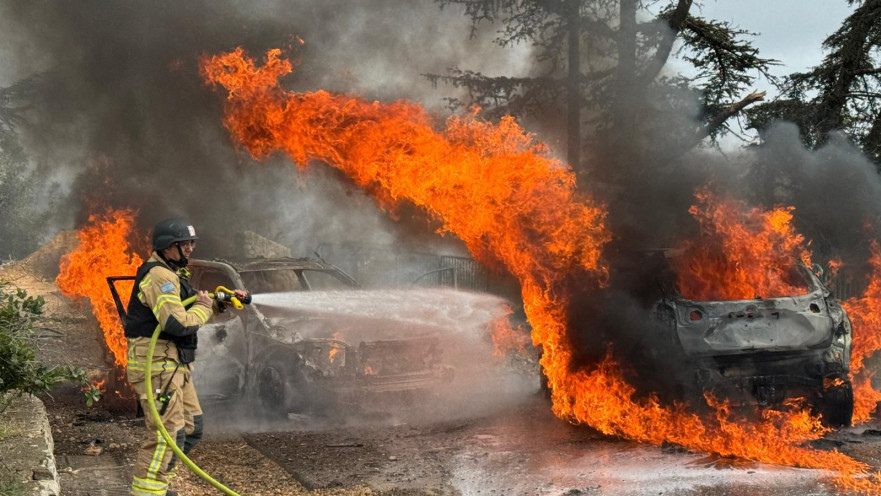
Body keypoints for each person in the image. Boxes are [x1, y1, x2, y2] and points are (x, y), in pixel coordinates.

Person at [123, 218, 245, 496]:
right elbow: (177, 324)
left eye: (191, 242)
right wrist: (204, 307)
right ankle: (148, 492)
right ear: (167, 246)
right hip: (157, 367)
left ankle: (160, 483)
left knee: (190, 428)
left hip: (173, 364)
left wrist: (219, 302)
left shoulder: (173, 273)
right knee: (166, 436)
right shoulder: (159, 277)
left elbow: (191, 309)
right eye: (184, 243)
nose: (190, 248)